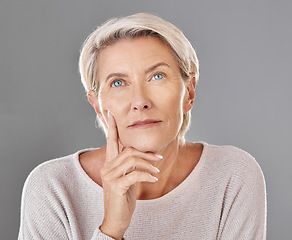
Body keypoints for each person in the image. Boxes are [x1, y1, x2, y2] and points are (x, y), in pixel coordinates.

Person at [18, 13, 267, 240]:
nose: (140, 102)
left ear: (189, 93)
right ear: (97, 105)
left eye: (157, 76)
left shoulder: (232, 176)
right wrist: (111, 229)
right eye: (118, 82)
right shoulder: (53, 188)